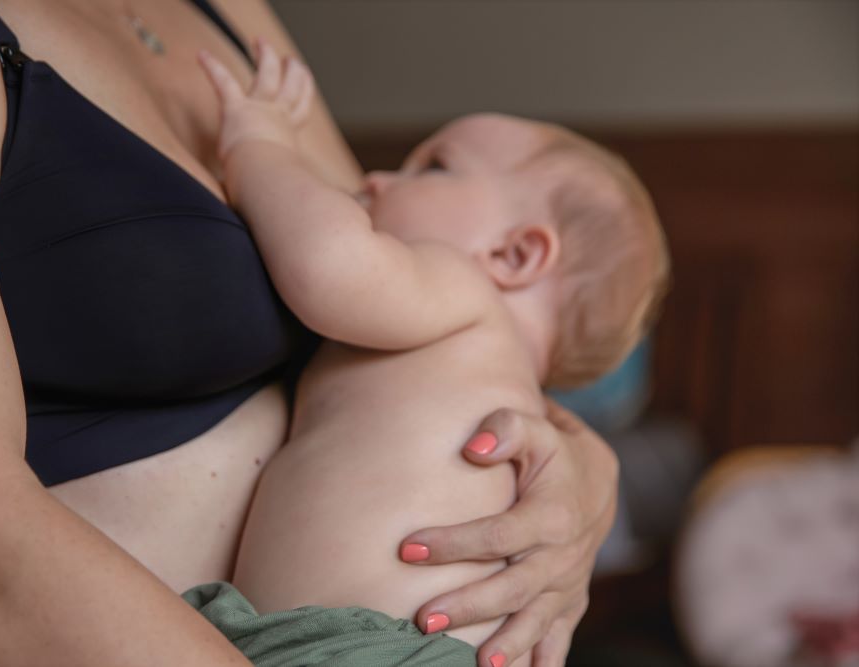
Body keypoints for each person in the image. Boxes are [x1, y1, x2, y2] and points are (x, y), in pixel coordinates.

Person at [0, 1, 621, 665]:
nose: (386, 176)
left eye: (433, 164)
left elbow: (393, 304)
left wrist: (584, 471)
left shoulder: (230, 11)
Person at [180, 46, 670, 667]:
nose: (376, 180)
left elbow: (329, 267)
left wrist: (259, 148)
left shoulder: (463, 288)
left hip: (375, 648)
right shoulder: (488, 372)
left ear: (514, 256)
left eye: (433, 167)